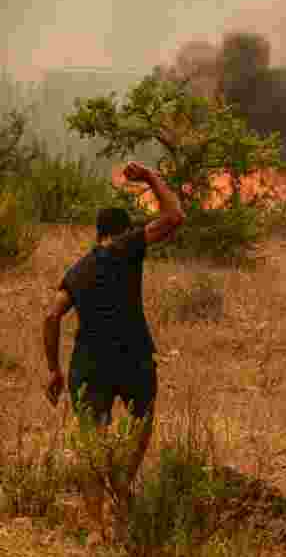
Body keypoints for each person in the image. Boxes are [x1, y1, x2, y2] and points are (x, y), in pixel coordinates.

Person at [42, 162, 185, 534]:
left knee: (92, 443)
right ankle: (124, 480)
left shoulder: (78, 270)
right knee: (141, 423)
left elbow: (52, 316)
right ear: (121, 232)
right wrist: (152, 177)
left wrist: (53, 370)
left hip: (88, 363)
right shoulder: (127, 246)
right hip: (132, 357)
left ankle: (94, 526)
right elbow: (174, 216)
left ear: (97, 233)